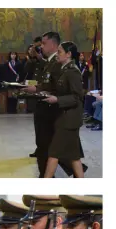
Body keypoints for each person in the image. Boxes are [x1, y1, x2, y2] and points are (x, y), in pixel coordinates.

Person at [42, 42, 86, 178]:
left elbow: (77, 97)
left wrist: (57, 100)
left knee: (54, 153)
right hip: (66, 117)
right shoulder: (64, 69)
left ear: (68, 54)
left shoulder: (72, 71)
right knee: (74, 156)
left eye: (60, 52)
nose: (57, 55)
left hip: (69, 119)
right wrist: (48, 93)